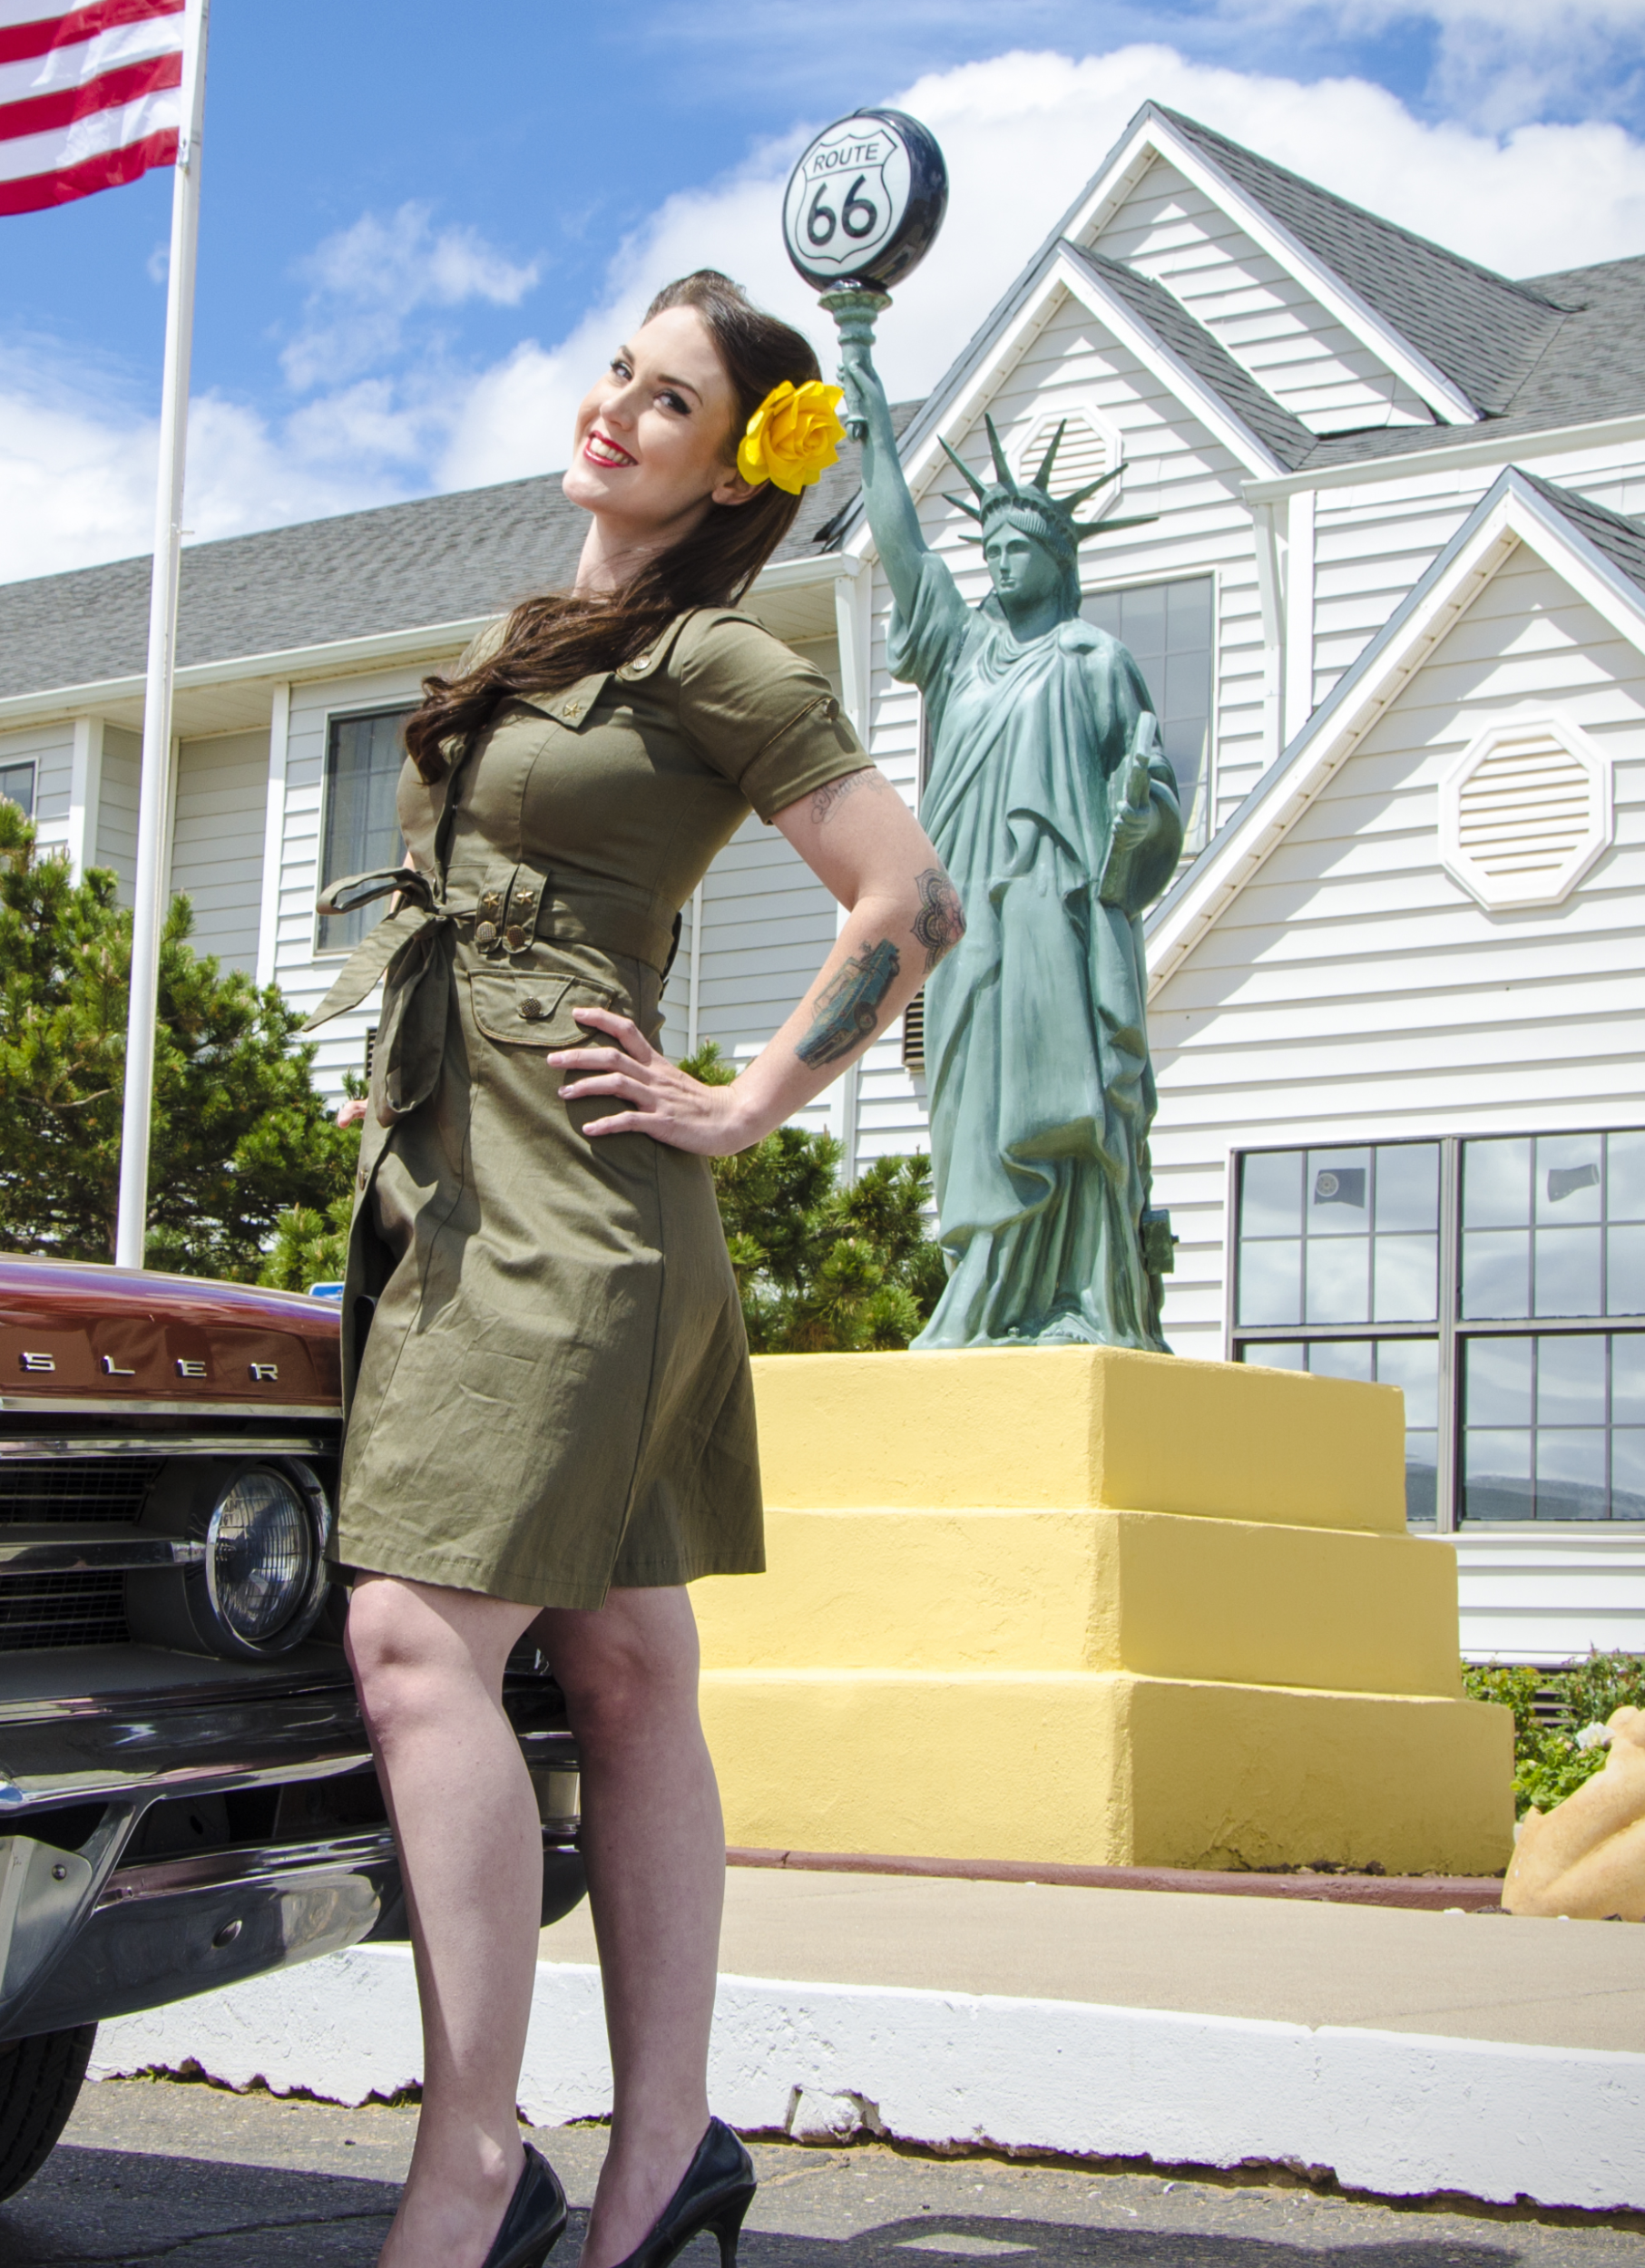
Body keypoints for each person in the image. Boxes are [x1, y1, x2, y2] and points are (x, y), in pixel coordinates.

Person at [313, 269, 955, 2268]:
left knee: (422, 1643)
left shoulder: (717, 659)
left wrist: (752, 1101)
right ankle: (664, 2155)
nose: (617, 410)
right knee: (628, 1662)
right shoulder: (544, 638)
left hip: (580, 1207)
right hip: (460, 1180)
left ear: (727, 463)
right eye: (619, 370)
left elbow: (904, 894)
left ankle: (474, 2165)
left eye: (669, 401)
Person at [857, 414, 1185, 1348]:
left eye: (1020, 549)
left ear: (1058, 558)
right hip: (964, 921)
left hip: (1054, 913)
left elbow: (1150, 787)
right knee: (968, 1096)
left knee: (1060, 1094)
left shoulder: (1095, 663)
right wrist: (871, 410)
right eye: (991, 548)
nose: (1001, 565)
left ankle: (1072, 1295)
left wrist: (1138, 821)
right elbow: (903, 547)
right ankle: (983, 1285)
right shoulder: (959, 656)